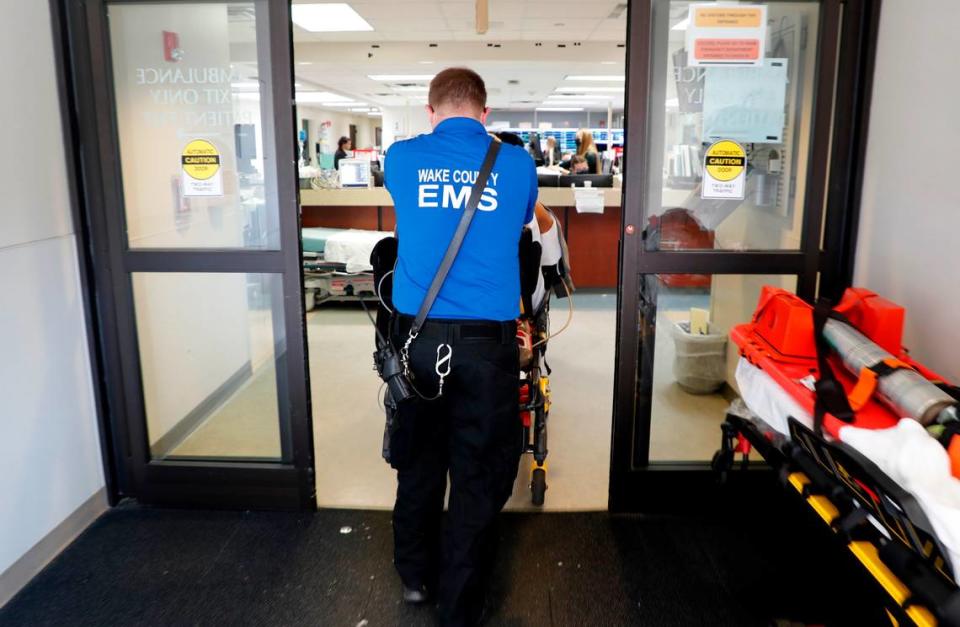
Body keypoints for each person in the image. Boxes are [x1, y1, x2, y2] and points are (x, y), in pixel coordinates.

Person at [383, 67, 537, 626]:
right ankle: (460, 601)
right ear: (485, 112)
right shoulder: (516, 164)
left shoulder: (400, 158)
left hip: (418, 342)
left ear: (430, 111)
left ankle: (415, 576)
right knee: (477, 468)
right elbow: (522, 222)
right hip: (486, 348)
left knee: (420, 459)